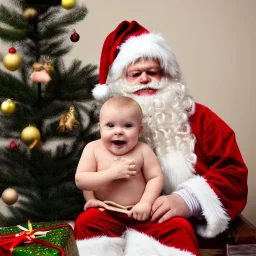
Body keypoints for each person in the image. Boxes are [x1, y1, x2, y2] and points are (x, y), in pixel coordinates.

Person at [74, 20, 248, 256]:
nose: (145, 79)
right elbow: (85, 176)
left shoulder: (201, 118)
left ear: (168, 76)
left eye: (153, 72)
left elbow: (233, 173)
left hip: (178, 227)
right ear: (120, 82)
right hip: (111, 218)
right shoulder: (103, 132)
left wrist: (188, 200)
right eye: (135, 74)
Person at [75, 96, 166, 253]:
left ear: (140, 130)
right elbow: (82, 179)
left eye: (128, 125)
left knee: (179, 225)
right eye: (110, 125)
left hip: (140, 214)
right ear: (100, 128)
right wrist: (110, 175)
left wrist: (145, 203)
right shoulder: (93, 148)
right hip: (106, 212)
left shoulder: (143, 150)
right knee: (84, 222)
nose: (118, 131)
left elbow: (155, 178)